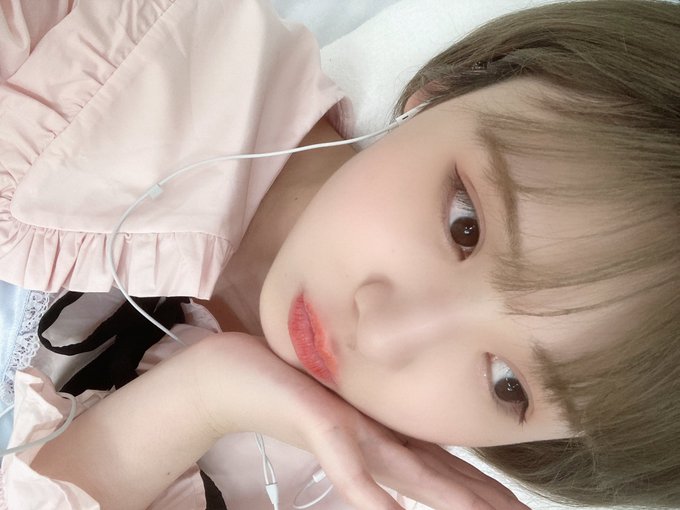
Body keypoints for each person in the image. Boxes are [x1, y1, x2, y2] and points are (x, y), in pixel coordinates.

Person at [0, 0, 678, 508]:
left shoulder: (333, 489)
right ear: (447, 91)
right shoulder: (94, 32)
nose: (383, 334)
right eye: (464, 226)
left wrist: (199, 400)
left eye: (508, 385)